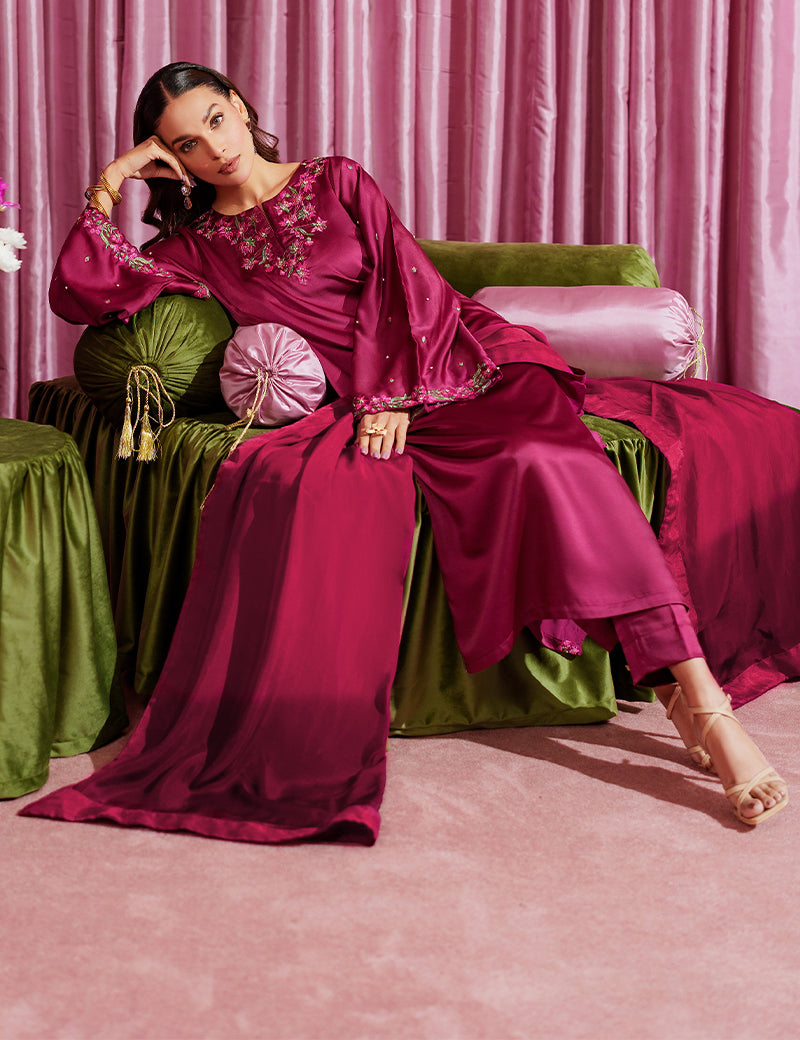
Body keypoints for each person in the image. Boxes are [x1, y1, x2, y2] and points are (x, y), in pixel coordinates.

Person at [21, 62, 788, 842]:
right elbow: (83, 291)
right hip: (362, 402)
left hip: (451, 357)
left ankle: (702, 702)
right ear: (172, 160)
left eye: (216, 120)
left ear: (242, 108)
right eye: (187, 143)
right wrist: (111, 183)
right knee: (495, 472)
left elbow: (406, 283)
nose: (214, 148)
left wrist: (390, 393)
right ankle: (686, 699)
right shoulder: (197, 248)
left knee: (552, 458)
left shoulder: (336, 180)